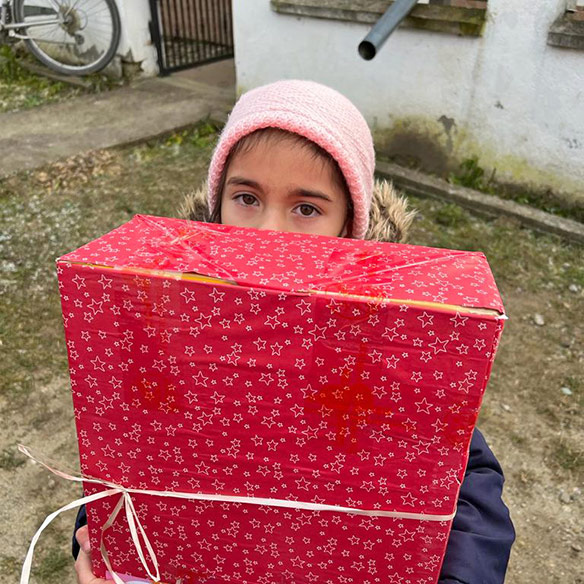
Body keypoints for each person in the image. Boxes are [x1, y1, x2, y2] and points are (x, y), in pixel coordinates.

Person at [73, 79, 515, 584]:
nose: (268, 235)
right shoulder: (169, 335)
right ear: (216, 207)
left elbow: (464, 478)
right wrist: (103, 544)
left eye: (306, 208)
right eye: (246, 197)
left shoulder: (393, 349)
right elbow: (122, 460)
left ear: (351, 228)